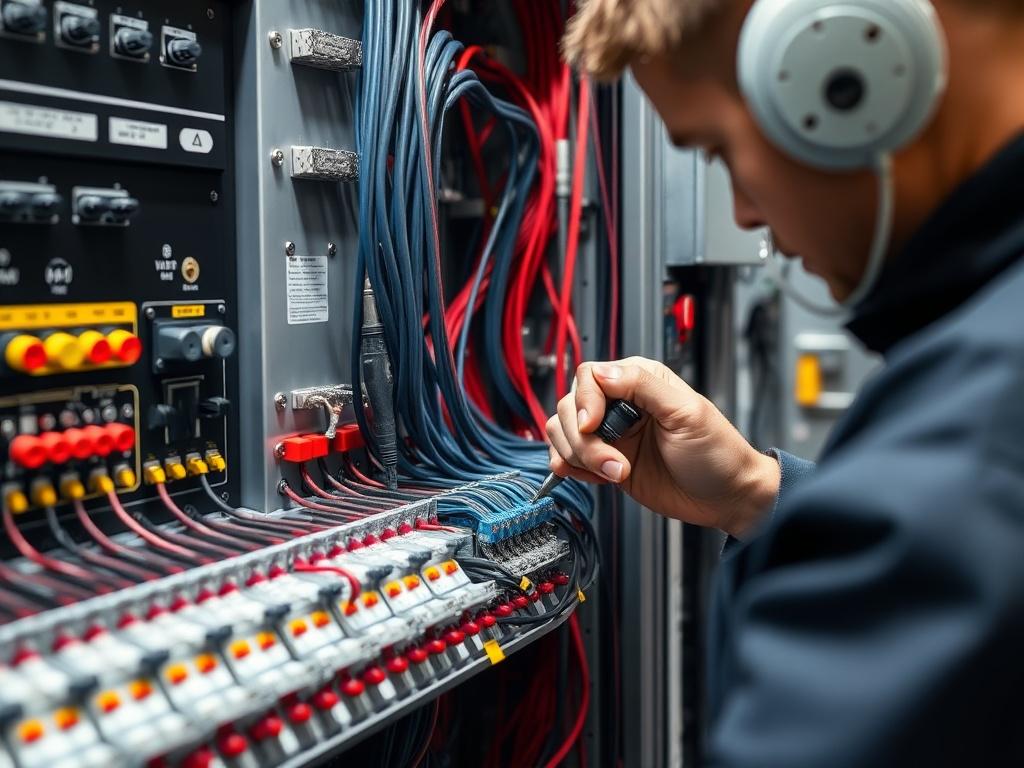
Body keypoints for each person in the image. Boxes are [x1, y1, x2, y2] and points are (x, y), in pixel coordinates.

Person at [549, 0, 1024, 764]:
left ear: (848, 68)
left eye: (719, 149)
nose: (742, 211)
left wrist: (858, 544)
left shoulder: (976, 441)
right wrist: (754, 493)